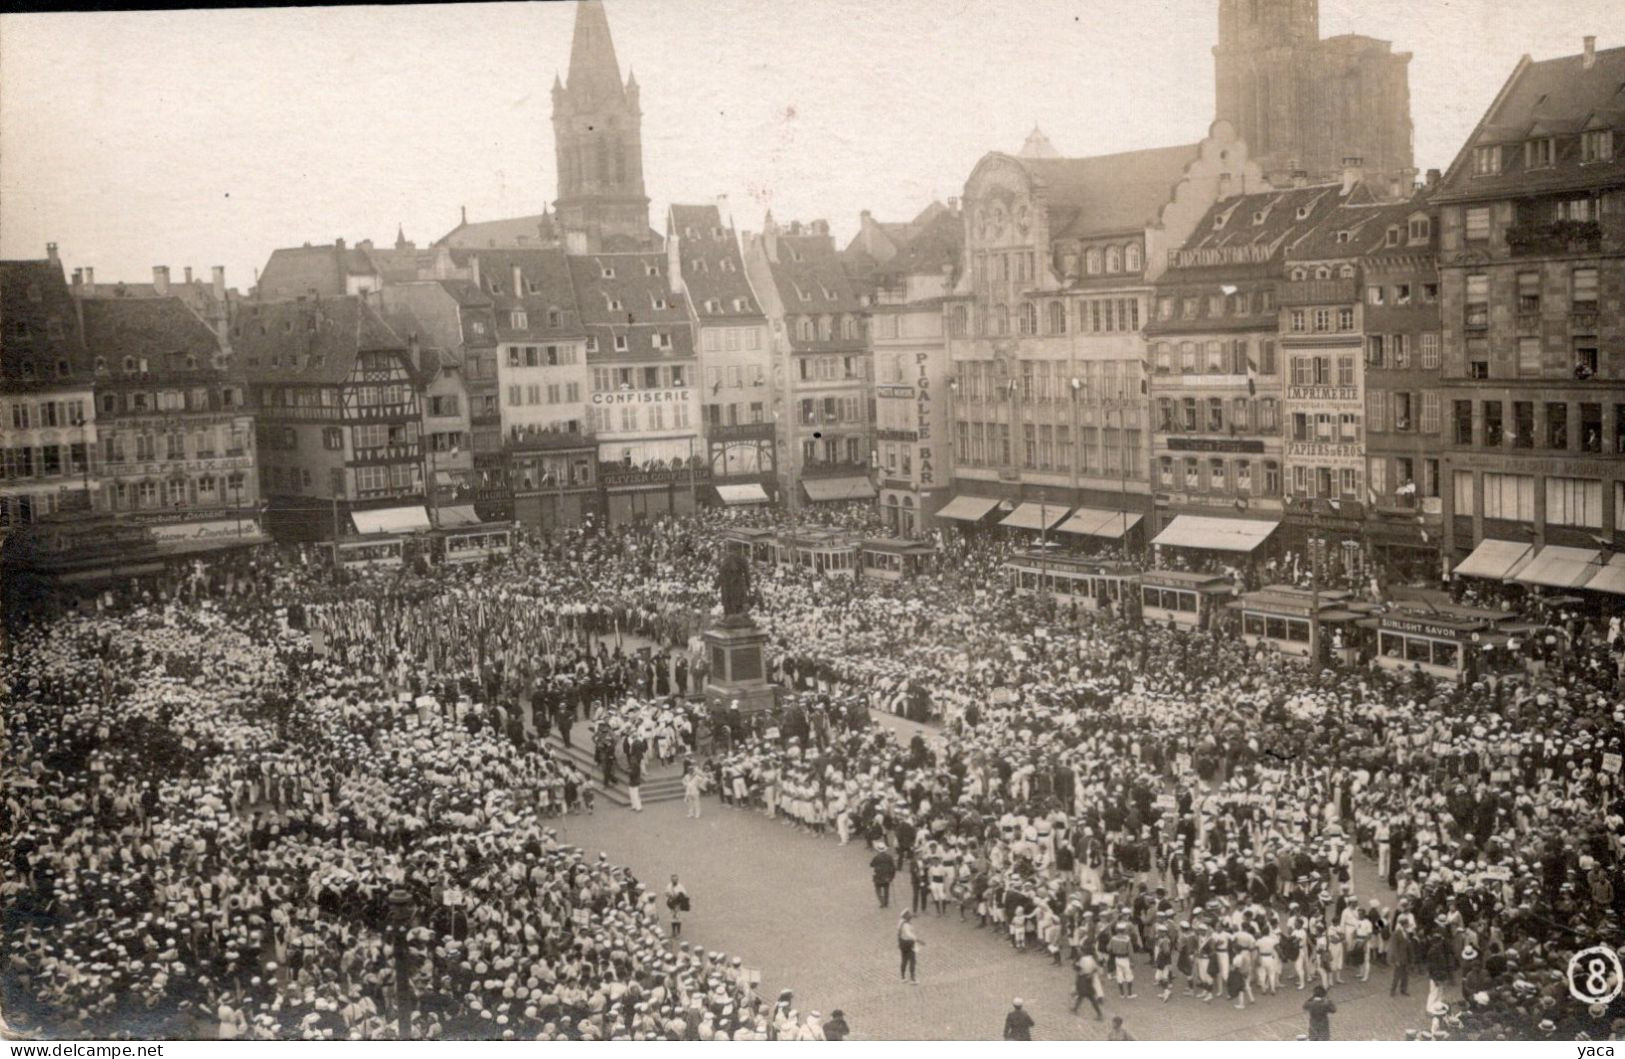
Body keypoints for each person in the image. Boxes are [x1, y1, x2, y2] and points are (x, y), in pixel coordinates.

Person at [897, 911, 920, 984]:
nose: (910, 917)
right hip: (909, 943)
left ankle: (903, 977)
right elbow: (909, 934)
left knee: (904, 960)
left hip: (902, 943)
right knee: (912, 960)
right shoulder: (906, 925)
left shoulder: (900, 923)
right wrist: (917, 939)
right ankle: (912, 979)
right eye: (909, 916)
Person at [870, 845, 897, 909]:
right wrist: (892, 876)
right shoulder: (889, 857)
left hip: (878, 876)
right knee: (886, 889)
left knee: (878, 890)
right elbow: (893, 867)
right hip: (887, 876)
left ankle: (882, 902)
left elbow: (871, 864)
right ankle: (886, 902)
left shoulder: (876, 857)